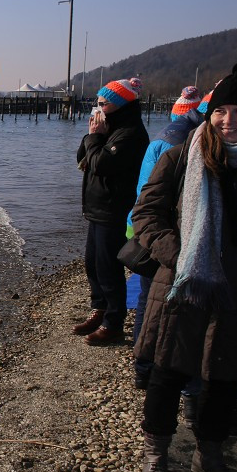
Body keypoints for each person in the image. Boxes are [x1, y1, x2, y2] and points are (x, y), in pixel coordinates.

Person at [134, 62, 237, 472]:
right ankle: (156, 456)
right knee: (167, 374)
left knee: (224, 379)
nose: (229, 120)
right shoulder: (183, 156)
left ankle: (211, 456)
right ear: (210, 113)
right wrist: (178, 254)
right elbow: (145, 215)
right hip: (182, 286)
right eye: (222, 111)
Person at [129, 86, 201, 388]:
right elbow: (152, 197)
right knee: (153, 299)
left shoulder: (165, 135)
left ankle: (146, 365)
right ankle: (149, 367)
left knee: (150, 298)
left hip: (150, 232)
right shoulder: (179, 145)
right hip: (163, 239)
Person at [72, 78, 149, 345]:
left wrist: (95, 138)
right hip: (97, 208)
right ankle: (100, 308)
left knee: (108, 268)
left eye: (103, 103)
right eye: (97, 103)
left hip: (113, 209)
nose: (97, 108)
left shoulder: (130, 133)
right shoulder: (109, 128)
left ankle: (113, 322)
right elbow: (82, 157)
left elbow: (102, 164)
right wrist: (92, 135)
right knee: (92, 263)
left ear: (118, 105)